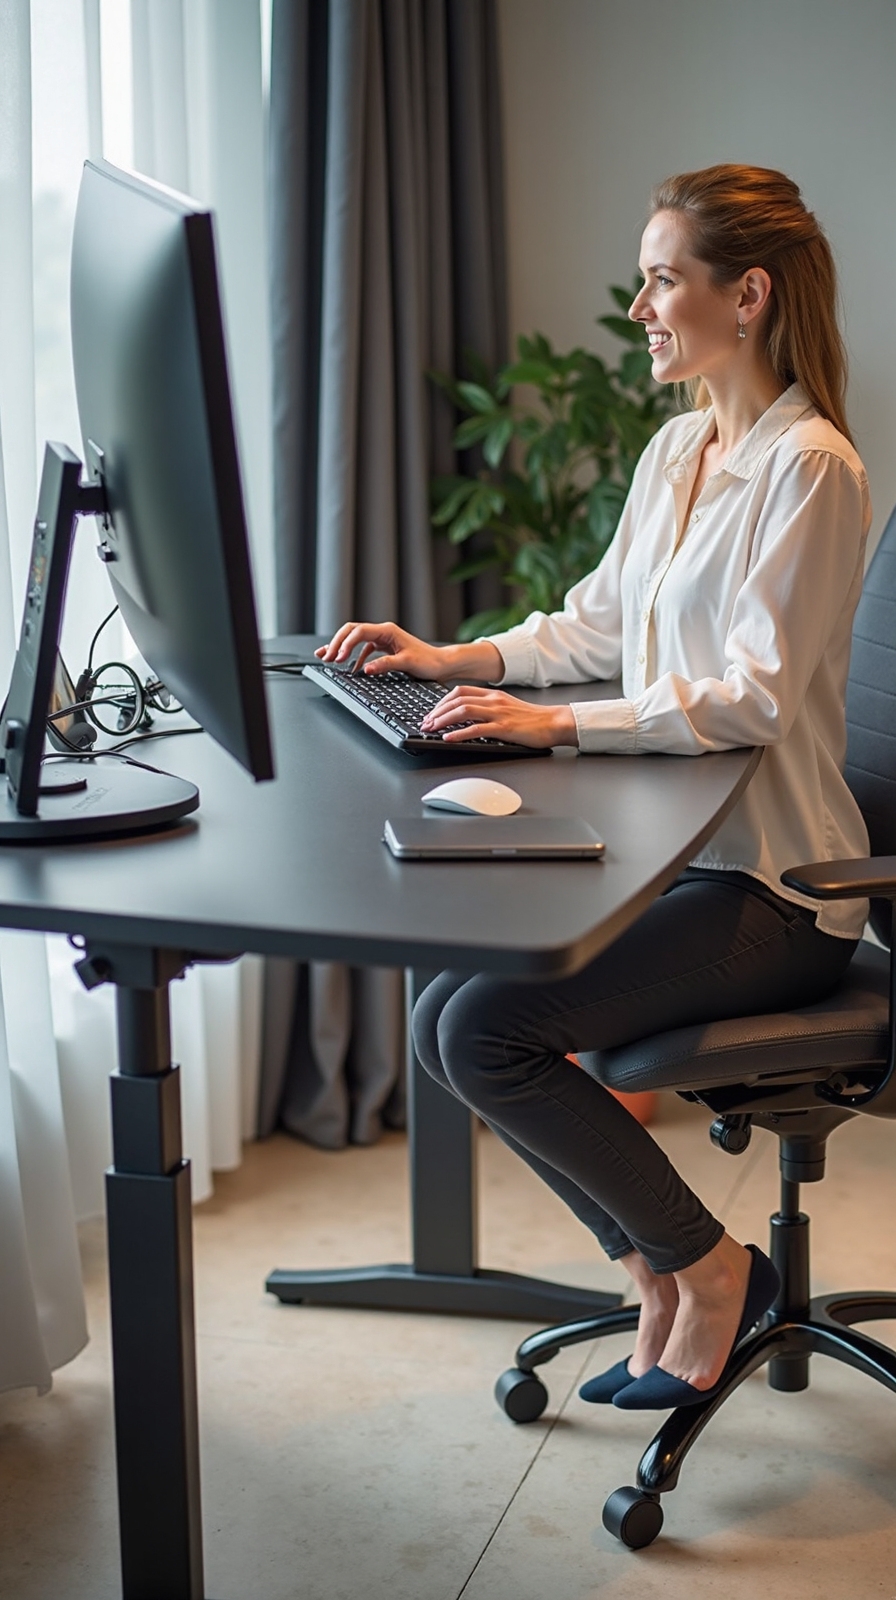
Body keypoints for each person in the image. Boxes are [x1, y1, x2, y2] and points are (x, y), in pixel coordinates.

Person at [316, 165, 871, 1410]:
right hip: (678, 864)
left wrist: (552, 726)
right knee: (440, 1020)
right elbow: (593, 624)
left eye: (660, 279)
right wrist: (453, 657)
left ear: (746, 296)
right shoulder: (677, 448)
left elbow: (747, 697)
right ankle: (655, 1268)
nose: (637, 308)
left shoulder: (810, 470)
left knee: (481, 1030)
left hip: (776, 891)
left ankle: (711, 1269)